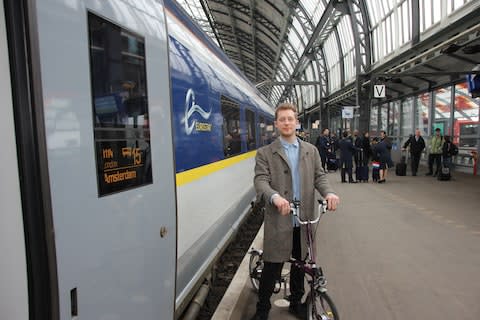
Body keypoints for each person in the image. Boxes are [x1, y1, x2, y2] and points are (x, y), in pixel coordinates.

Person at [252, 103, 340, 320]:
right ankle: (262, 309)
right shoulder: (265, 153)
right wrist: (274, 197)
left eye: (290, 119)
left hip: (304, 219)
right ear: (276, 124)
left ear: (297, 122)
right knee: (273, 266)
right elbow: (260, 180)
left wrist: (329, 193)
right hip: (279, 218)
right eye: (282, 119)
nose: (287, 122)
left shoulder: (311, 151)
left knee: (300, 265)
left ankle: (296, 303)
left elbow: (319, 176)